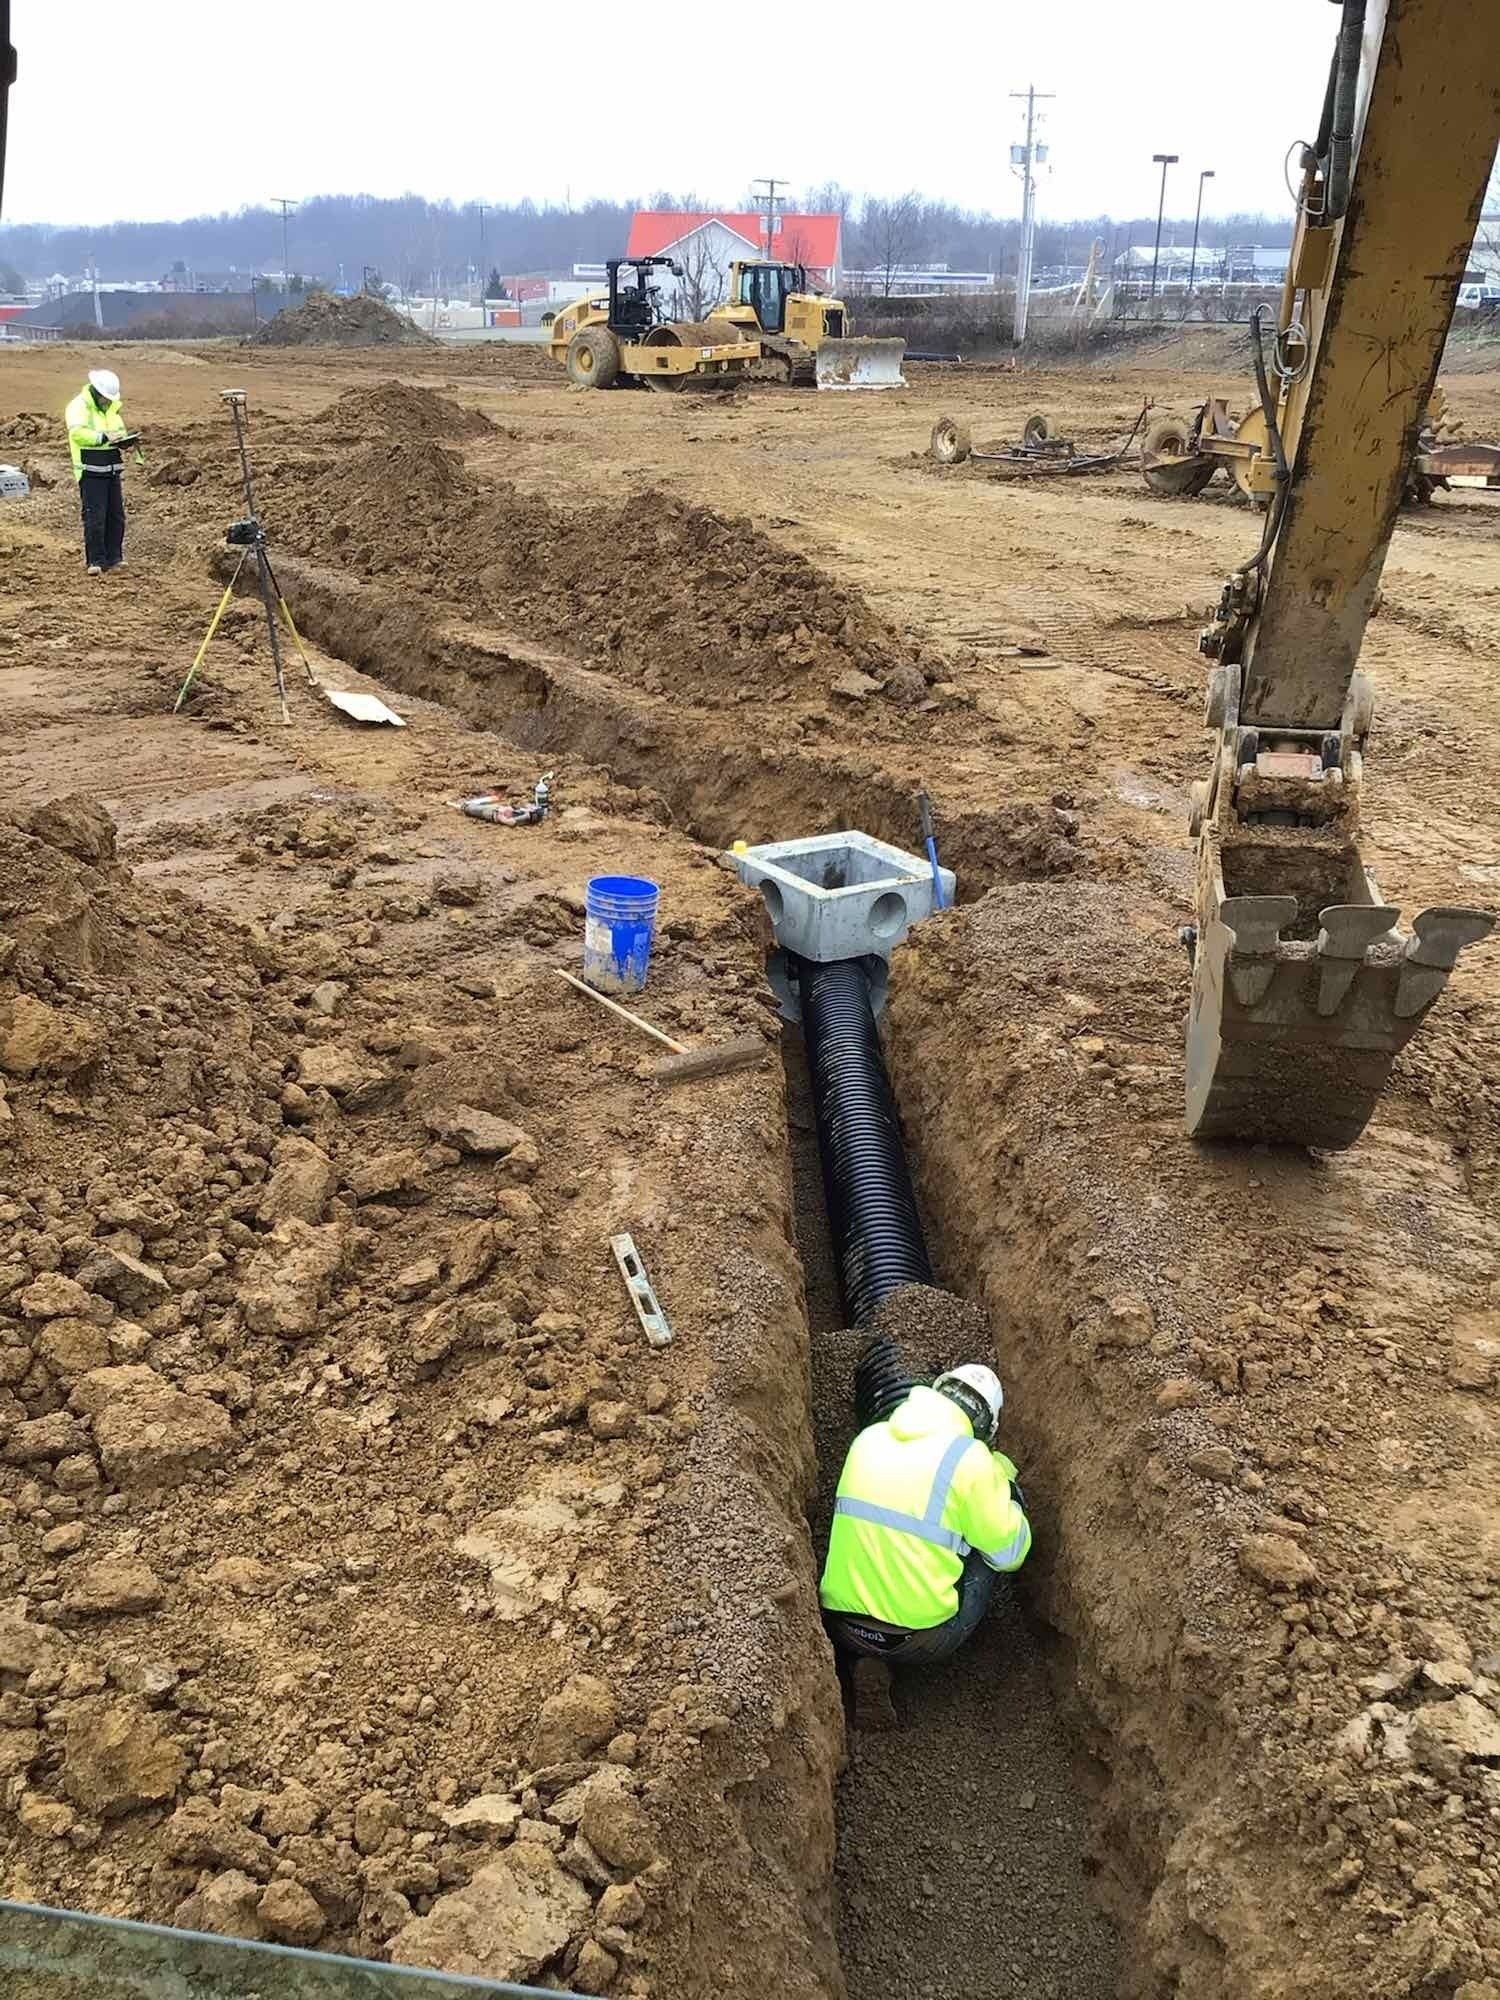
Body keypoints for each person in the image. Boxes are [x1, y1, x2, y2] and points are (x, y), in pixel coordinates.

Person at [820, 1363, 1031, 1666]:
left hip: (841, 1626)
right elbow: (1010, 1554)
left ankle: (862, 1666)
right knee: (992, 1542)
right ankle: (984, 1665)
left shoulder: (868, 1438)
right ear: (986, 1427)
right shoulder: (972, 1460)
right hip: (917, 1640)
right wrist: (1003, 1485)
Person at [64, 368, 132, 576]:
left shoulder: (111, 408)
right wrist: (103, 438)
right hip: (90, 469)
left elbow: (119, 430)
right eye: (106, 398)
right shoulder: (79, 406)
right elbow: (77, 434)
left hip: (111, 467)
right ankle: (96, 560)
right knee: (96, 516)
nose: (109, 402)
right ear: (97, 392)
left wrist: (124, 440)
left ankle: (115, 558)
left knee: (116, 516)